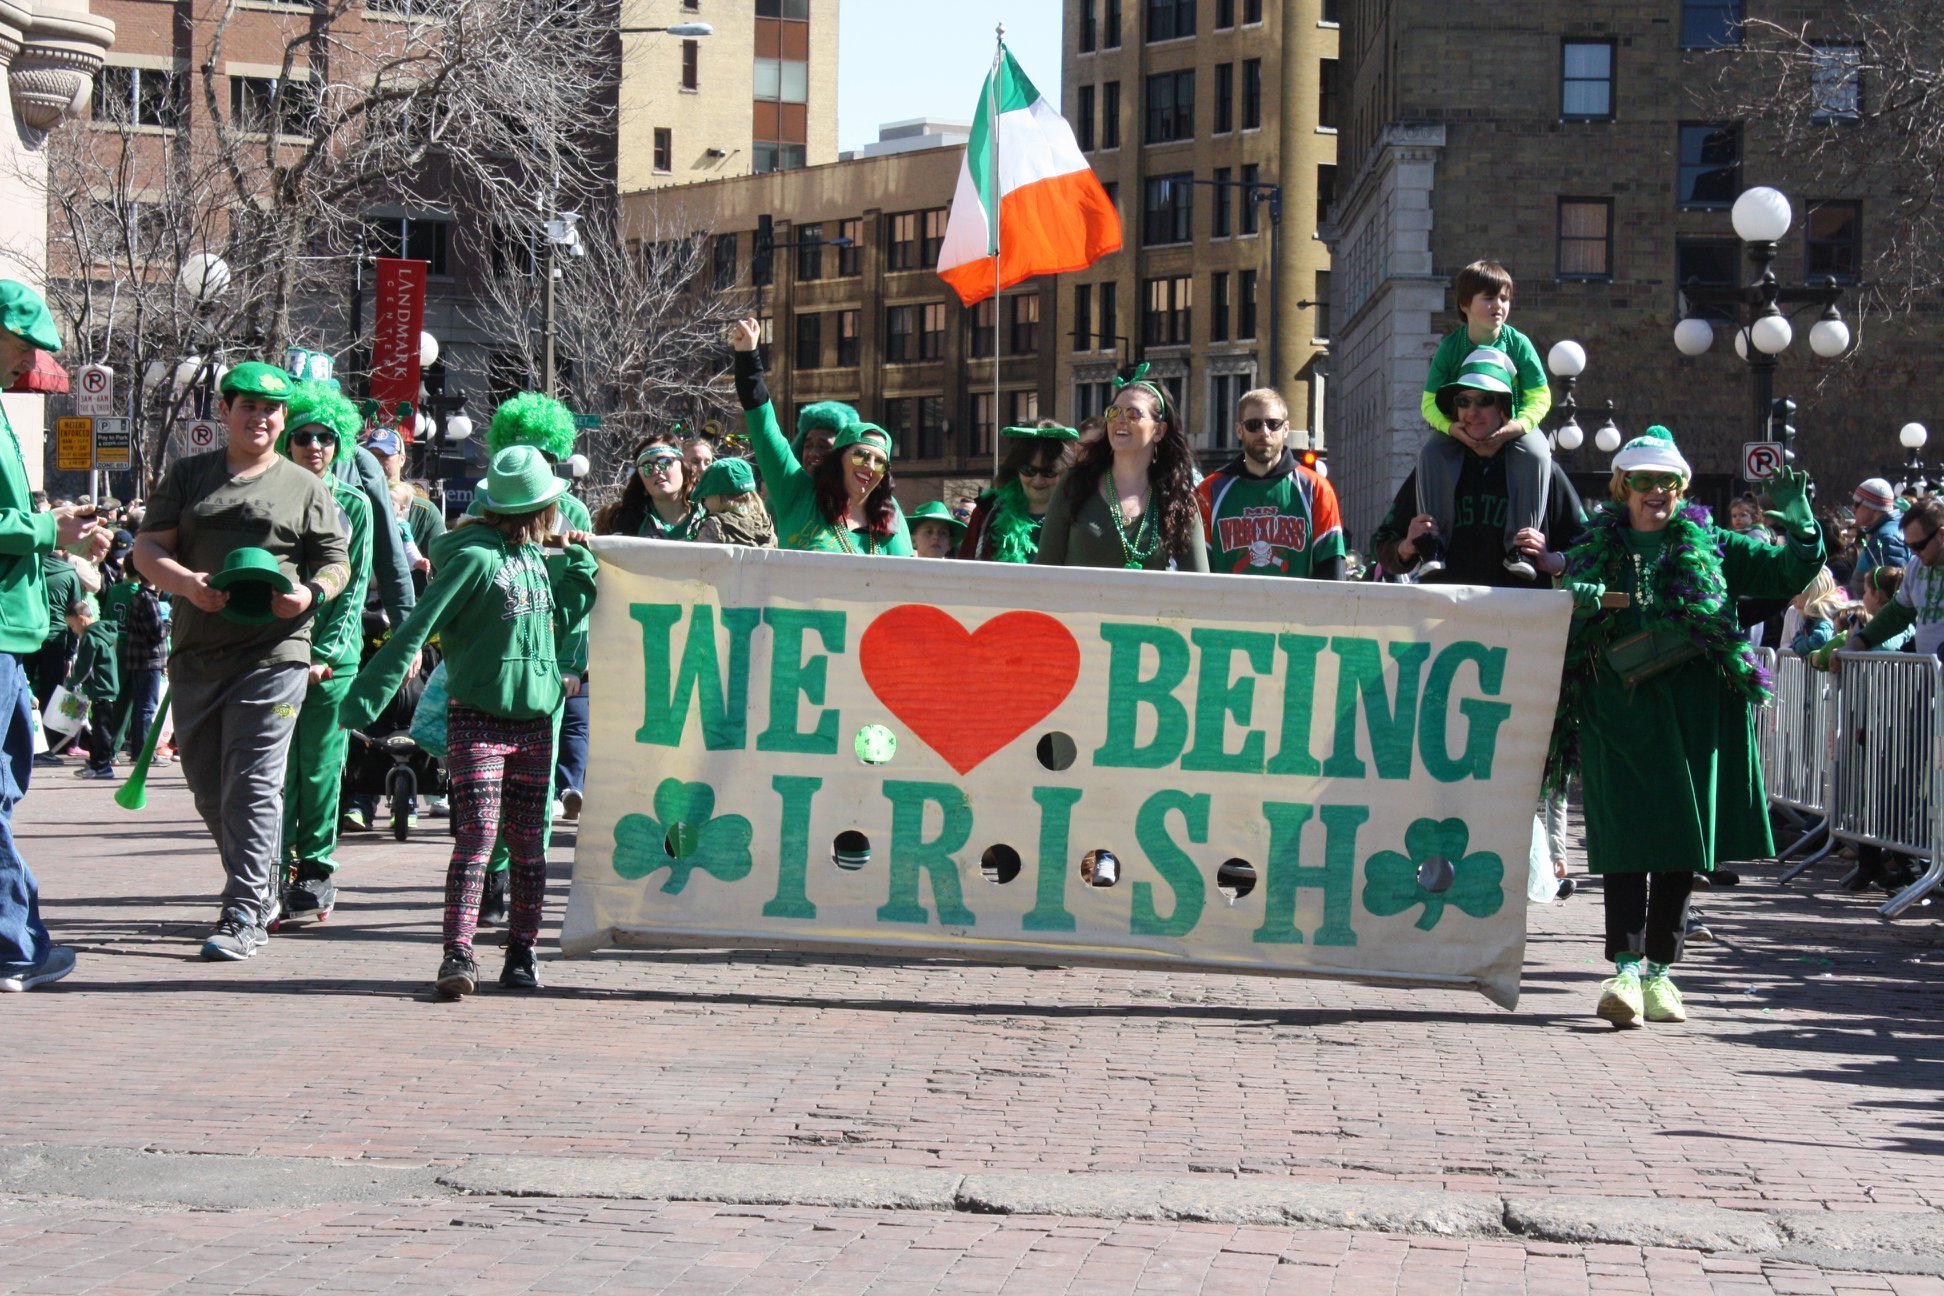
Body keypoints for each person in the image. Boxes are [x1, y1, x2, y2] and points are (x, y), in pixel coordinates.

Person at [1550, 429, 1822, 1028]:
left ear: (1682, 488)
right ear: (1623, 487)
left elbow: (1785, 575)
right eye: (1643, 481)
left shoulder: (1715, 543)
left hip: (1696, 707)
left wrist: (1803, 532)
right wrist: (1576, 591)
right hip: (1617, 708)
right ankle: (1622, 969)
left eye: (1667, 482)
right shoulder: (1597, 546)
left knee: (1680, 839)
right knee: (1623, 838)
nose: (1655, 492)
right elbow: (1555, 594)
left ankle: (1660, 974)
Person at [339, 446, 597, 997]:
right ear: (539, 509)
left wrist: (576, 562)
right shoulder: (475, 557)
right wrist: (364, 700)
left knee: (530, 847)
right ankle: (458, 953)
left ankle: (522, 953)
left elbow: (566, 616)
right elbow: (420, 625)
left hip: (534, 721)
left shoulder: (534, 557)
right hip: (476, 719)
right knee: (478, 837)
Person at [135, 361, 352, 962]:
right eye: (248, 406)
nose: (260, 417)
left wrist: (310, 594)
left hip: (275, 653)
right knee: (210, 788)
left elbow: (338, 562)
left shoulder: (306, 487)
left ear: (282, 420)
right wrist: (186, 584)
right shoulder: (189, 476)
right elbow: (147, 547)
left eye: (271, 409)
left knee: (253, 785)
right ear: (225, 412)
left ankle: (245, 910)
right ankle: (263, 884)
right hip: (198, 653)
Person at [0, 282, 110, 990]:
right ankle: (17, 946)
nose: (31, 361)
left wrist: (56, 538)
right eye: (26, 343)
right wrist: (49, 530)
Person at [482, 393, 595, 882]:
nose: (534, 462)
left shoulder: (573, 513)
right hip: (497, 661)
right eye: (521, 451)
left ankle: (523, 872)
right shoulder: (490, 512)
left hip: (547, 662)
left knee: (538, 777)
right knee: (491, 781)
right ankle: (494, 870)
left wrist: (570, 663)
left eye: (543, 453)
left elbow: (584, 594)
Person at [275, 381, 373, 928]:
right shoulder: (269, 497)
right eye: (303, 436)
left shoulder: (353, 504)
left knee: (316, 770)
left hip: (328, 664)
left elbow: (351, 587)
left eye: (326, 437)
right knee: (270, 770)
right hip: (272, 656)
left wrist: (323, 655)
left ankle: (314, 869)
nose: (315, 446)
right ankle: (271, 867)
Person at [1371, 358, 1584, 589]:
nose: (1472, 412)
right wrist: (1406, 547)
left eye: (1484, 400)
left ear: (1504, 407)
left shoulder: (1541, 470)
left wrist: (1554, 561)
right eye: (1463, 402)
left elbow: (1591, 550)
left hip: (1519, 615)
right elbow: (1383, 543)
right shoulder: (1433, 467)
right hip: (1444, 615)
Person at [729, 317, 912, 555]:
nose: (869, 465)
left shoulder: (888, 514)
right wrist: (748, 358)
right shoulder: (796, 493)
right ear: (839, 458)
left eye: (879, 461)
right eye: (861, 456)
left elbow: (909, 581)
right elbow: (764, 429)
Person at [1417, 260, 1553, 579]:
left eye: (1504, 299)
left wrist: (1516, 428)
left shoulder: (1518, 344)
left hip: (1512, 427)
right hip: (1460, 427)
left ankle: (1521, 547)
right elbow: (1428, 403)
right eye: (1489, 298)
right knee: (1431, 452)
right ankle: (1432, 543)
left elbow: (1540, 395)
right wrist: (1453, 429)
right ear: (1465, 305)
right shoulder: (1451, 347)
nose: (1499, 306)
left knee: (1536, 452)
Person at [1035, 365, 1208, 573]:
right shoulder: (1076, 483)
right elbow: (1045, 566)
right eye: (1113, 411)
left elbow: (1200, 584)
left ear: (1159, 430)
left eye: (1133, 413)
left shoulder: (1177, 497)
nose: (1119, 419)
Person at [1196, 387, 1346, 579]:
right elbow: (1196, 570)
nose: (1264, 432)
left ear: (1286, 429)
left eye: (1273, 424)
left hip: (1294, 607)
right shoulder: (1209, 491)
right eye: (1254, 425)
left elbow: (1331, 567)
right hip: (1229, 607)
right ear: (1239, 430)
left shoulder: (1316, 489)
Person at [1831, 495, 1944, 661]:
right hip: (1930, 677)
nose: (1914, 552)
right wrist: (1856, 644)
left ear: (1941, 535)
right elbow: (1896, 615)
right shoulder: (1915, 566)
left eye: (1919, 545)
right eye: (1909, 546)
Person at [958, 423, 1076, 563]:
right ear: (1015, 469)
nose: (1038, 480)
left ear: (1064, 472)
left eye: (1048, 471)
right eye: (1028, 470)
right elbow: (964, 569)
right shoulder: (988, 511)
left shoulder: (1080, 513)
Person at [595, 438, 706, 540]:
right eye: (647, 467)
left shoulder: (708, 514)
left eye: (664, 462)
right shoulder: (627, 520)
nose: (656, 470)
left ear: (683, 467)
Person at [62, 595, 119, 780]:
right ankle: (98, 761)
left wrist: (70, 683)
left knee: (101, 730)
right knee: (100, 729)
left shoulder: (89, 638)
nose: (73, 630)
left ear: (81, 619)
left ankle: (102, 766)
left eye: (72, 626)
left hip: (100, 688)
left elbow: (84, 668)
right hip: (108, 688)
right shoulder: (103, 633)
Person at [690, 457, 776, 548]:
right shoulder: (766, 525)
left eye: (704, 498)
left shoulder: (715, 526)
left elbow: (694, 558)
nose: (705, 503)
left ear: (718, 497)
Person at [1848, 477, 1911, 598]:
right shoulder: (1883, 532)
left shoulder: (1887, 538)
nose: (1853, 509)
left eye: (1857, 504)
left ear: (1872, 506)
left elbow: (1890, 591)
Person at [1787, 567, 1847, 655]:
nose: (1793, 593)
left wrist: (1797, 641)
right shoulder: (1813, 615)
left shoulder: (1823, 614)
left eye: (1799, 588)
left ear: (1814, 589)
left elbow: (1820, 639)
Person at [789, 402, 857, 478]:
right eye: (808, 446)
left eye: (823, 446)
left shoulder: (860, 489)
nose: (812, 453)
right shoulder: (789, 489)